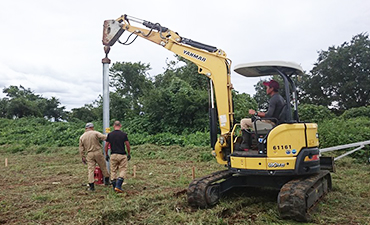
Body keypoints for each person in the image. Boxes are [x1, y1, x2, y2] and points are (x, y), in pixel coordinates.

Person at [240, 79, 286, 150]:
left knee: (244, 122)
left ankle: (245, 146)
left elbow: (269, 115)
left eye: (267, 88)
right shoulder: (280, 98)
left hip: (271, 122)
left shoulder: (274, 99)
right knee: (254, 121)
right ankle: (254, 143)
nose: (266, 89)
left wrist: (255, 113)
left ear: (272, 89)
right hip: (275, 121)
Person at [79, 122, 110, 191]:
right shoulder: (95, 133)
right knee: (103, 167)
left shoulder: (82, 136)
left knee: (91, 170)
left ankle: (91, 186)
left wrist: (83, 157)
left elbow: (81, 149)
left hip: (89, 154)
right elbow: (105, 138)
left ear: (86, 128)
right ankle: (107, 182)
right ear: (92, 127)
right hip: (98, 152)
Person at [104, 121, 131, 193]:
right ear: (120, 125)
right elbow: (127, 145)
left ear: (114, 126)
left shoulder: (110, 135)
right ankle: (118, 186)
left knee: (113, 170)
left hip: (113, 155)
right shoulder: (124, 134)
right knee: (123, 169)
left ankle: (114, 187)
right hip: (122, 155)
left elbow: (106, 145)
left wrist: (106, 154)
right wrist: (129, 153)